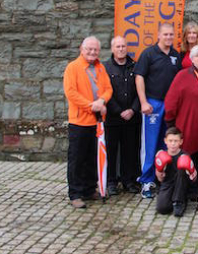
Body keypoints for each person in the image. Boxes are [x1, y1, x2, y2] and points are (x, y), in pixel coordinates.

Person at [63, 36, 113, 209]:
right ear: (81, 49)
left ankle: (89, 188)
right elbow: (71, 93)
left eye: (95, 50)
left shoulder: (100, 67)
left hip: (96, 122)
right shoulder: (73, 67)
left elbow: (108, 89)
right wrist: (92, 106)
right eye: (89, 49)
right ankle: (75, 193)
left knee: (93, 157)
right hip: (79, 121)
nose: (92, 52)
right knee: (77, 159)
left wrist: (102, 101)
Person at [134, 23, 182, 199]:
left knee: (167, 143)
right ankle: (147, 180)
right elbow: (139, 77)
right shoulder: (148, 53)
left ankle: (164, 178)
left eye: (171, 35)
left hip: (170, 105)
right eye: (166, 34)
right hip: (152, 104)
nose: (169, 37)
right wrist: (143, 102)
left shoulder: (176, 56)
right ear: (159, 35)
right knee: (150, 144)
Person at [103, 36, 141, 196]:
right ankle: (111, 181)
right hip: (113, 117)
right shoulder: (105, 68)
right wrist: (119, 111)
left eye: (123, 46)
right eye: (118, 46)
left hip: (132, 117)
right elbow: (104, 92)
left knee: (130, 150)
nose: (121, 49)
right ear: (112, 49)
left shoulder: (135, 66)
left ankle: (129, 180)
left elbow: (141, 91)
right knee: (111, 151)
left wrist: (132, 109)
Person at [164, 45, 198, 155]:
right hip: (188, 126)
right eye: (197, 56)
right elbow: (171, 101)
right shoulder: (182, 76)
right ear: (192, 59)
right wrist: (170, 122)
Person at [154, 127, 198, 217]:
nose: (173, 144)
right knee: (162, 208)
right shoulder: (161, 155)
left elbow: (194, 177)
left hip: (181, 183)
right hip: (168, 183)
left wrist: (192, 174)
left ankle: (179, 202)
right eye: (170, 141)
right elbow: (160, 179)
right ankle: (175, 198)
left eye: (175, 141)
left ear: (180, 142)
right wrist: (160, 172)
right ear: (165, 141)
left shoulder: (185, 155)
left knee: (182, 167)